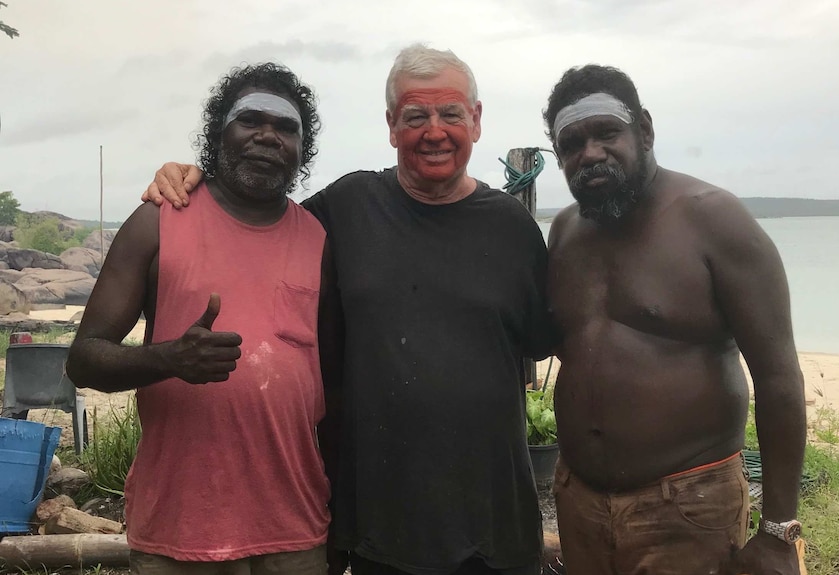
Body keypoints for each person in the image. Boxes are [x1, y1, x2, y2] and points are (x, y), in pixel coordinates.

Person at [142, 44, 558, 575]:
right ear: (390, 125)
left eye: (451, 113)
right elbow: (256, 214)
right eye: (415, 117)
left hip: (495, 526)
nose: (434, 131)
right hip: (379, 528)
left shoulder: (514, 228)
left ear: (475, 120)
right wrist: (193, 176)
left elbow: (544, 342)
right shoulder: (348, 206)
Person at [66, 62, 341, 575]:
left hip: (295, 528)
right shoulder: (159, 221)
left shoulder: (320, 240)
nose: (267, 135)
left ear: (303, 149)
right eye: (250, 120)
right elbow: (83, 361)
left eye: (286, 127)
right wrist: (169, 358)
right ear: (219, 133)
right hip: (181, 528)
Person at [543, 65, 806, 575]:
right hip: (579, 502)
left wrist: (778, 531)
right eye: (571, 143)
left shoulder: (714, 220)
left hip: (689, 508)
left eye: (606, 133)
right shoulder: (566, 232)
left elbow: (779, 380)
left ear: (643, 129)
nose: (590, 153)